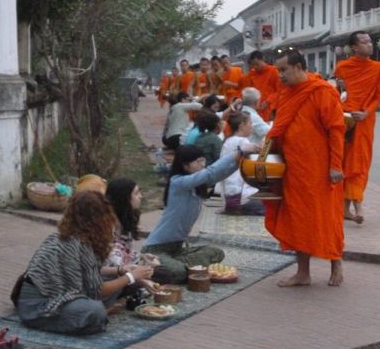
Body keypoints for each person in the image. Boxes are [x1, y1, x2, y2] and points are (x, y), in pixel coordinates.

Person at [14, 191, 154, 335]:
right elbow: (97, 291)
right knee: (95, 312)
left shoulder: (69, 237)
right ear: (96, 219)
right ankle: (95, 312)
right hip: (39, 306)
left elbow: (90, 272)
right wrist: (131, 277)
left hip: (54, 296)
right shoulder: (78, 242)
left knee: (113, 283)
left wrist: (121, 270)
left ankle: (94, 308)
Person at [265, 49, 346, 288]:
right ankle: (303, 272)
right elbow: (280, 126)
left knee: (326, 217)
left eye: (283, 70)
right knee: (297, 219)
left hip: (320, 169)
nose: (279, 75)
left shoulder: (321, 91)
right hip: (293, 169)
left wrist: (336, 165)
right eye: (278, 70)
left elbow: (336, 130)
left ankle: (336, 263)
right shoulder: (286, 93)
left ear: (299, 67)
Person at [141, 143, 260, 283]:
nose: (202, 164)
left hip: (177, 250)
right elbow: (210, 172)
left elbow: (218, 174)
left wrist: (240, 158)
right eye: (198, 162)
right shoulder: (177, 182)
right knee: (178, 272)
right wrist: (239, 151)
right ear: (185, 165)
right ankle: (152, 265)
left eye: (203, 160)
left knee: (216, 253)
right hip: (155, 250)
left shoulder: (197, 185)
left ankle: (175, 266)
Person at [334, 31, 380, 224]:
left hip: (364, 120)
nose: (370, 45)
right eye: (364, 42)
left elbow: (378, 95)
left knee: (359, 163)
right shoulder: (342, 67)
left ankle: (354, 206)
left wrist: (366, 112)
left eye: (370, 41)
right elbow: (340, 93)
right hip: (345, 119)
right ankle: (349, 208)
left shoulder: (379, 68)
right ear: (355, 47)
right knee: (345, 162)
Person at [219, 112, 265, 215]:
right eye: (250, 123)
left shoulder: (228, 141)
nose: (252, 126)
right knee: (275, 207)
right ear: (242, 126)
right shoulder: (242, 142)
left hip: (229, 198)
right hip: (241, 197)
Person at [247, 50, 281, 121]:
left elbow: (279, 90)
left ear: (263, 59)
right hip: (257, 107)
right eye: (253, 65)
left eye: (257, 64)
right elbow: (250, 91)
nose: (255, 67)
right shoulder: (252, 74)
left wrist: (268, 101)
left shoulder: (273, 71)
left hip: (271, 107)